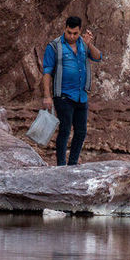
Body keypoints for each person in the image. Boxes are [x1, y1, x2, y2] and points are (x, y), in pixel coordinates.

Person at [42, 16, 102, 166]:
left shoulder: (83, 44)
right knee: (65, 130)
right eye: (69, 33)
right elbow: (47, 72)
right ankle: (62, 165)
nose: (72, 36)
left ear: (80, 30)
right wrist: (47, 96)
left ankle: (73, 163)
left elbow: (98, 57)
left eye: (75, 33)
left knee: (81, 132)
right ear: (65, 29)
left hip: (81, 96)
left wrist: (90, 44)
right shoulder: (54, 46)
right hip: (63, 96)